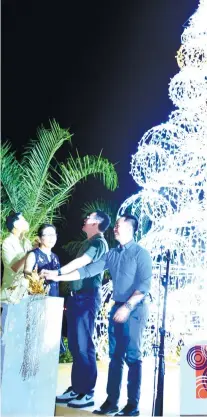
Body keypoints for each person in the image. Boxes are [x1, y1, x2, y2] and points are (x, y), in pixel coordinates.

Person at [47, 214, 152, 416]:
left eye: (119, 224)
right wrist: (57, 275)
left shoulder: (141, 254)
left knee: (133, 356)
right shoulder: (112, 254)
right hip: (117, 308)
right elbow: (86, 271)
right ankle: (111, 401)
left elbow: (144, 286)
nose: (115, 226)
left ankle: (132, 404)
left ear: (129, 229)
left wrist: (127, 307)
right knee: (115, 357)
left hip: (135, 309)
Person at [41, 211, 111, 409]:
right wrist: (58, 276)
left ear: (96, 223)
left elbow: (82, 264)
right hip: (76, 299)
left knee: (83, 346)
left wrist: (58, 273)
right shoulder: (87, 242)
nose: (85, 218)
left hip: (86, 298)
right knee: (75, 345)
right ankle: (77, 387)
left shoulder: (98, 243)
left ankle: (87, 391)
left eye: (89, 217)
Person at [1, 212, 32, 376]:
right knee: (7, 337)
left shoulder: (26, 242)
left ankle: (15, 373)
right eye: (23, 219)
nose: (26, 222)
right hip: (10, 297)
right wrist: (29, 254)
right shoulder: (7, 243)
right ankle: (2, 374)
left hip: (25, 296)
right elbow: (13, 268)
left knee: (20, 337)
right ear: (15, 224)